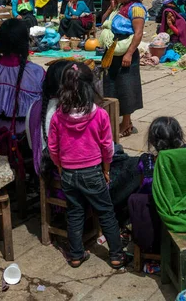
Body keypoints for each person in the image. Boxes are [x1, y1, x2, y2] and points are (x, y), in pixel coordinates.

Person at [47, 62, 129, 269]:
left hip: (67, 172)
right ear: (90, 86)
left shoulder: (58, 115)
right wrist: (106, 170)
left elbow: (53, 147)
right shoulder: (99, 114)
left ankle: (75, 256)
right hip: (93, 171)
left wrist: (59, 166)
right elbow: (107, 148)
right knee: (106, 212)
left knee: (75, 212)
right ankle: (117, 256)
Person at [128, 117, 185, 254]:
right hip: (177, 217)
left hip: (151, 220)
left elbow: (143, 187)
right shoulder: (183, 162)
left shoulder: (146, 161)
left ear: (153, 141)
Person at [100, 0, 145, 138]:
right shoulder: (118, 6)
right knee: (111, 85)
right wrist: (110, 9)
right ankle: (114, 119)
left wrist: (129, 53)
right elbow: (103, 22)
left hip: (126, 53)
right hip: (112, 51)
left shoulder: (136, 8)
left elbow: (138, 33)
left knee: (126, 87)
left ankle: (127, 122)